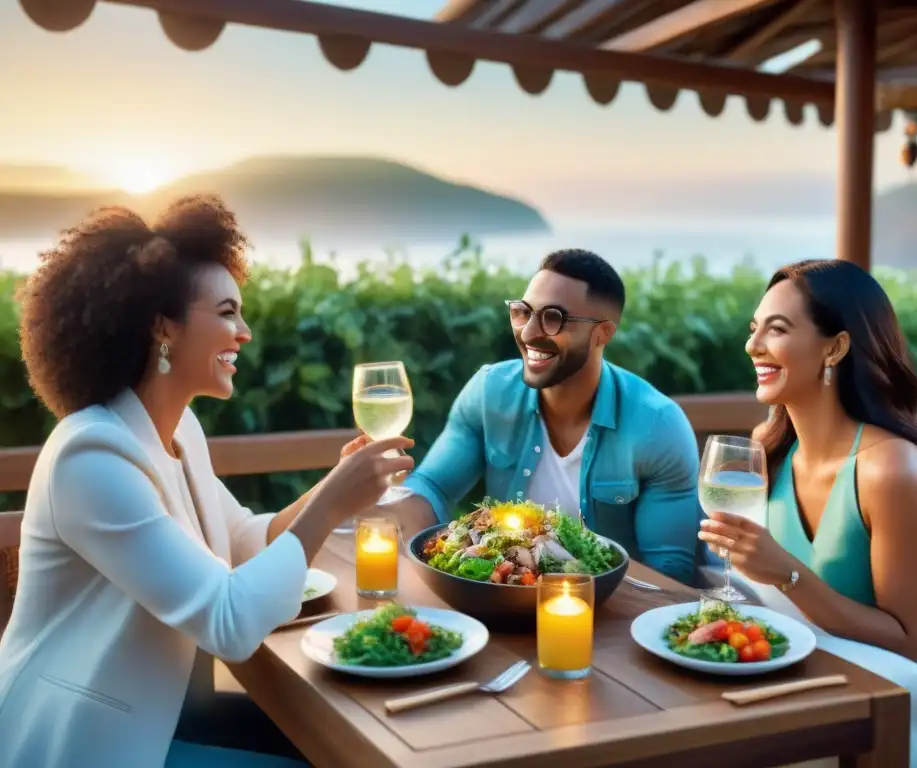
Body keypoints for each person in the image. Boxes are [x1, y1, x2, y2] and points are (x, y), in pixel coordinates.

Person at [0, 197, 414, 768]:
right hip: (85, 741)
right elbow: (229, 622)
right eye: (226, 313)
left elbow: (246, 539)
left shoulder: (177, 429)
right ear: (162, 328)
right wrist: (334, 500)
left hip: (162, 710)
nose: (243, 332)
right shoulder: (89, 456)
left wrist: (331, 491)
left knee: (353, 741)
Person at [698, 259, 917, 766]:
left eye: (776, 329)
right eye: (753, 328)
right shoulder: (767, 447)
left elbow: (907, 643)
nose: (753, 345)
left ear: (836, 347)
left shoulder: (891, 469)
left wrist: (785, 572)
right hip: (829, 672)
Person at [393, 249, 702, 584]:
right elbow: (432, 486)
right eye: (522, 312)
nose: (528, 333)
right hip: (501, 602)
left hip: (609, 614)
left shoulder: (657, 426)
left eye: (553, 318)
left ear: (602, 334)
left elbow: (669, 574)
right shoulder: (489, 392)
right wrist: (387, 509)